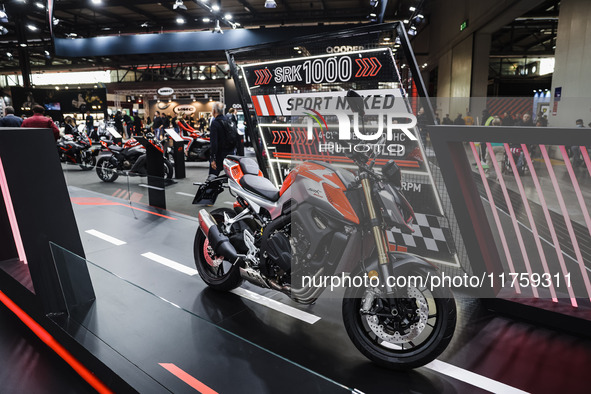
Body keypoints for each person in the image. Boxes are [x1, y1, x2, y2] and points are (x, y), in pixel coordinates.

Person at [209, 102, 236, 177]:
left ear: (214, 111)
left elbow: (214, 143)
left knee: (212, 178)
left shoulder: (215, 123)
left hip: (219, 154)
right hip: (230, 153)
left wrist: (213, 158)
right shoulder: (228, 120)